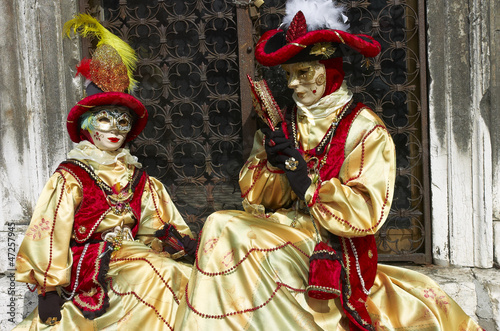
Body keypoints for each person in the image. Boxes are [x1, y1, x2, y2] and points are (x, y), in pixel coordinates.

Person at [175, 0, 483, 330]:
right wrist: (276, 167)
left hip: (332, 243)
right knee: (220, 222)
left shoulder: (364, 128)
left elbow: (368, 211)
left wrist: (307, 184)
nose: (293, 84)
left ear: (330, 70)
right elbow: (255, 196)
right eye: (289, 75)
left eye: (304, 72)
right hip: (284, 227)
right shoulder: (286, 121)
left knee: (231, 231)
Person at [14, 14, 196, 330]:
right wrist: (47, 289)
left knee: (186, 277)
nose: (114, 128)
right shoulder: (71, 176)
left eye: (122, 120)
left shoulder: (141, 180)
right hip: (93, 267)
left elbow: (159, 223)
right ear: (87, 123)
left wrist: (175, 241)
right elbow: (49, 229)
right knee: (157, 273)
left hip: (138, 257)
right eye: (104, 118)